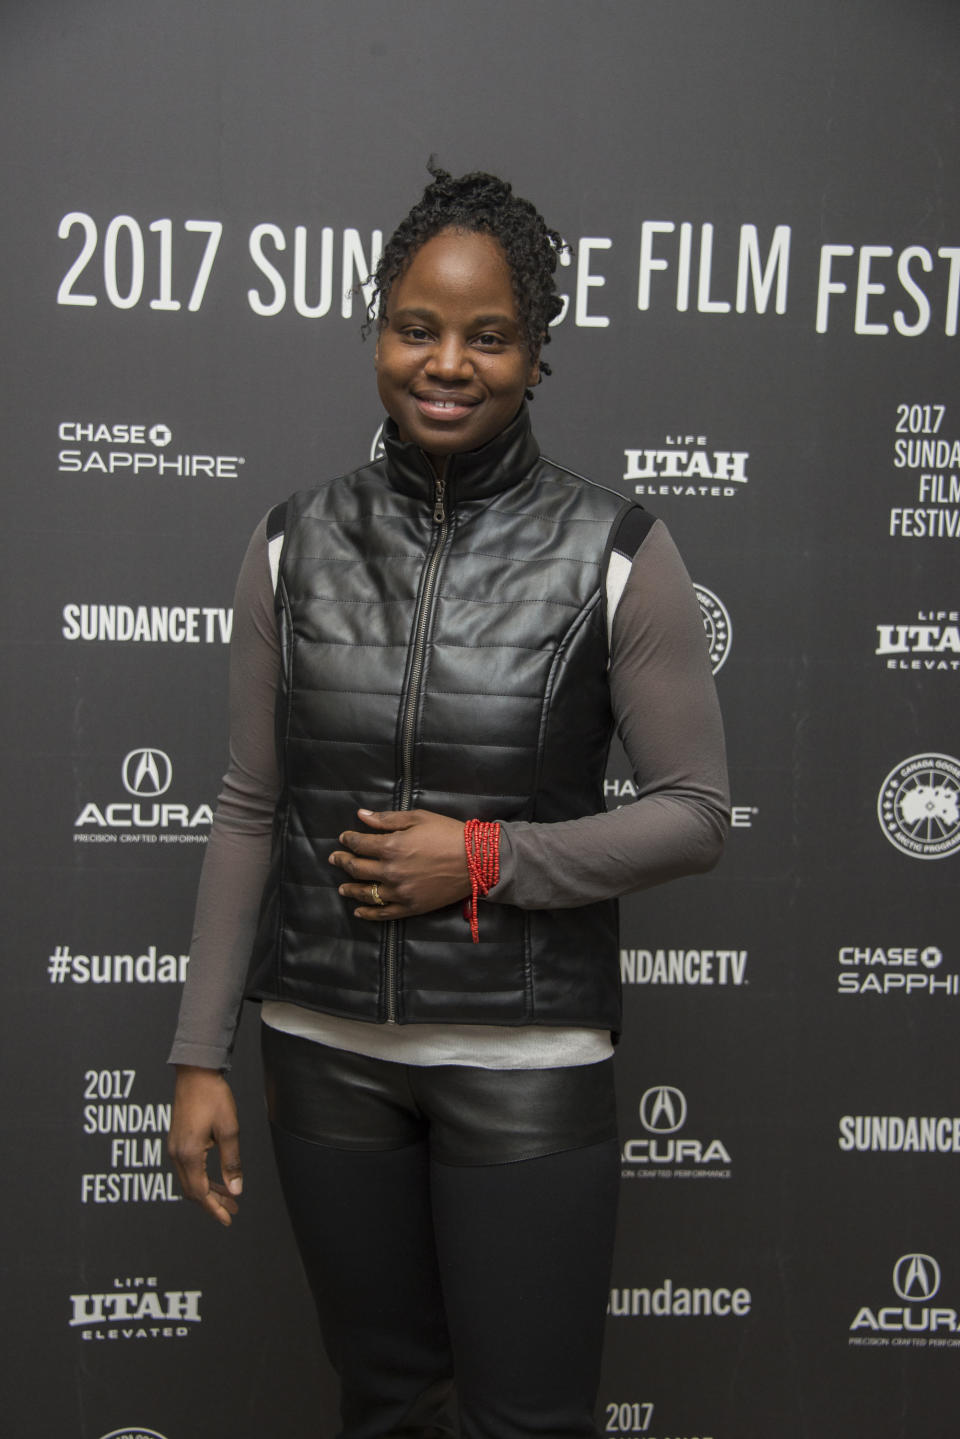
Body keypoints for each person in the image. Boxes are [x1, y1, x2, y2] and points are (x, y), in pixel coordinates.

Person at [168, 166, 729, 1439]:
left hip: (524, 1063)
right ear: (379, 328)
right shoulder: (289, 541)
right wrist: (199, 1052)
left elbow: (697, 812)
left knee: (526, 1420)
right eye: (418, 325)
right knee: (386, 1408)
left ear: (537, 357)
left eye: (489, 336)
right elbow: (251, 803)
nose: (447, 362)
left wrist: (484, 856)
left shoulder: (617, 550)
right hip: (325, 1058)